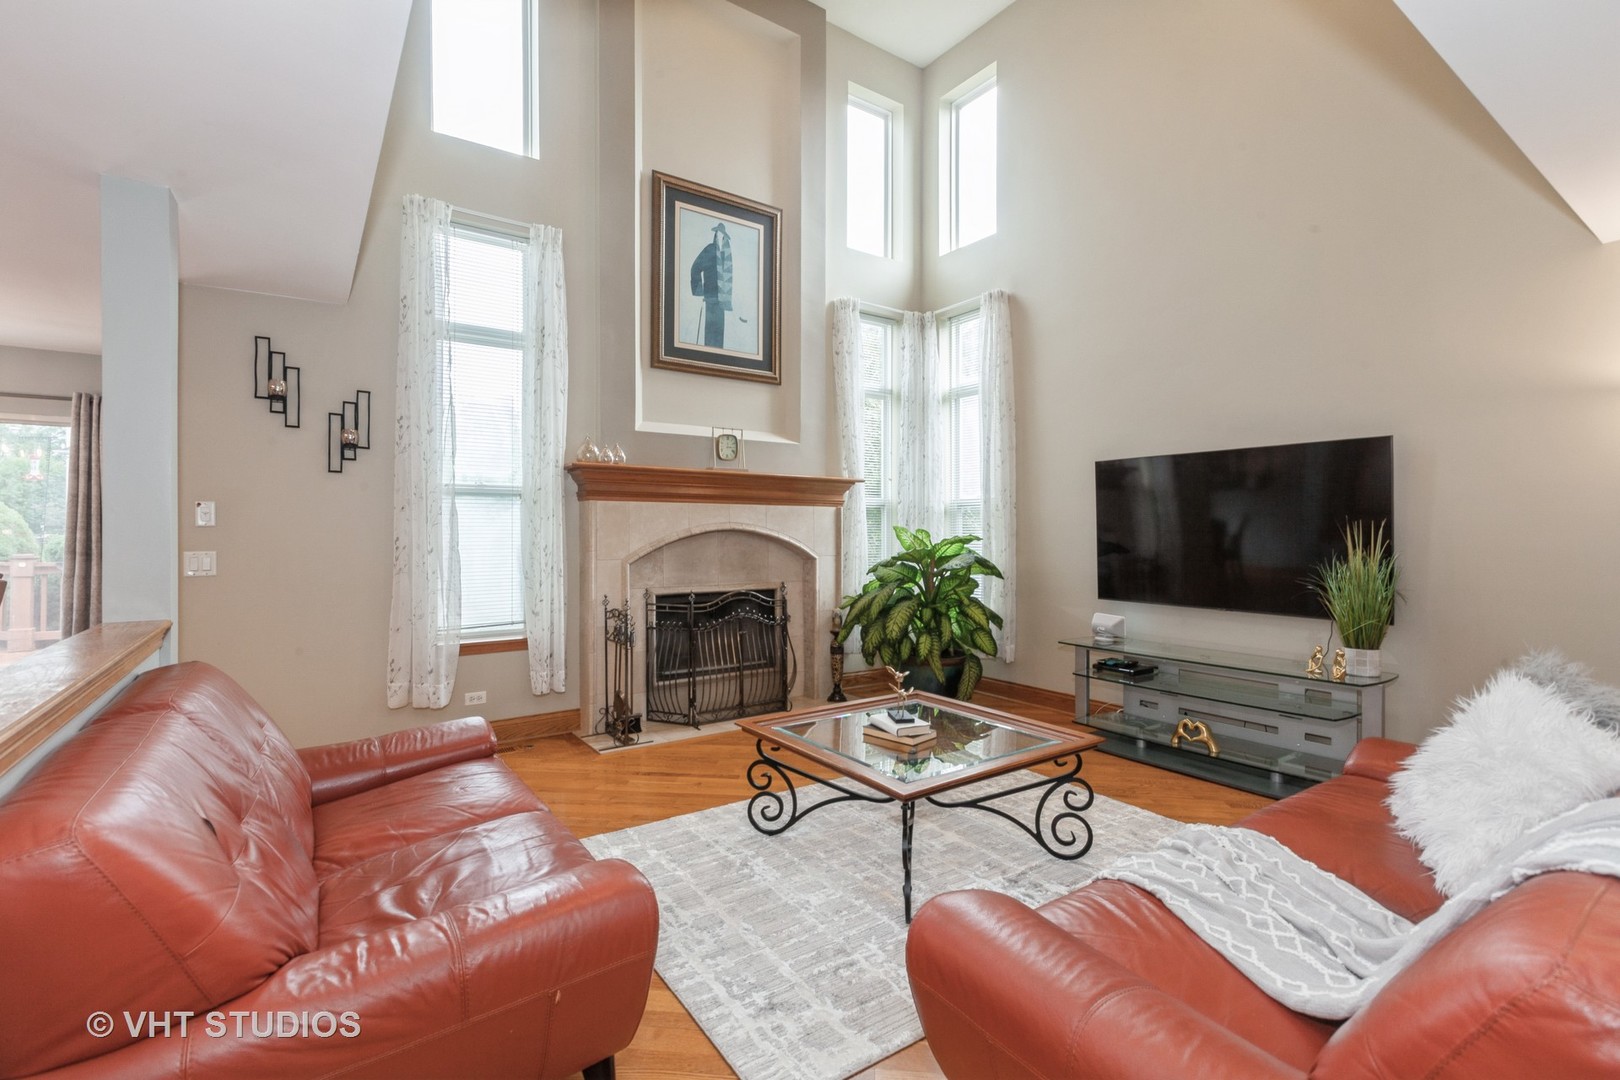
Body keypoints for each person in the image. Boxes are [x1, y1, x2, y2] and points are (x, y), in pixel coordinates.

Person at [689, 221, 733, 348]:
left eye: (723, 235)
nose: (720, 237)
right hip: (710, 298)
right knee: (709, 336)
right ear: (715, 234)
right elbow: (695, 267)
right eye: (719, 234)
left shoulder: (727, 253)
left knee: (719, 337)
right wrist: (699, 290)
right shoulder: (709, 249)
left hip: (722, 301)